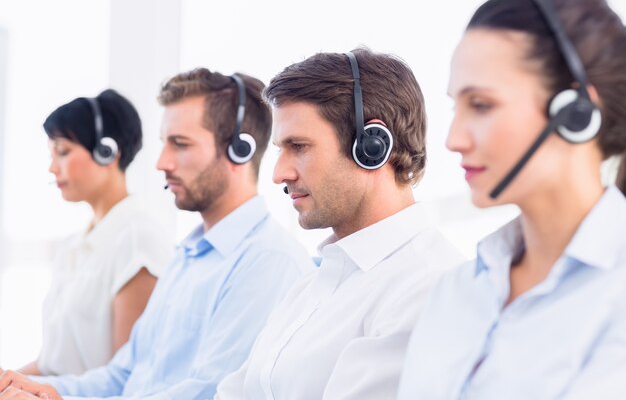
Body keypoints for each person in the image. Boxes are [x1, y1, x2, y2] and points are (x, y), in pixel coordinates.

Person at [0, 68, 312, 399]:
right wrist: (44, 390)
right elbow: (124, 375)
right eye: (165, 143)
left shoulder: (267, 261)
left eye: (179, 144)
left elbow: (209, 394)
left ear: (239, 150)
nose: (161, 162)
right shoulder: (187, 257)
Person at [397, 0, 626, 399]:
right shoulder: (456, 290)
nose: (452, 139)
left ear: (575, 114)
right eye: (456, 107)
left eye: (481, 105)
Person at [213, 47, 465, 400]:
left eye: (298, 146)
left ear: (373, 145)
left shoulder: (429, 286)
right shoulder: (312, 285)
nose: (278, 174)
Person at [19, 89, 173, 376]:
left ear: (107, 152)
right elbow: (50, 364)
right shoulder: (74, 247)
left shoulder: (138, 240)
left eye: (63, 152)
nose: (52, 168)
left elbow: (126, 378)